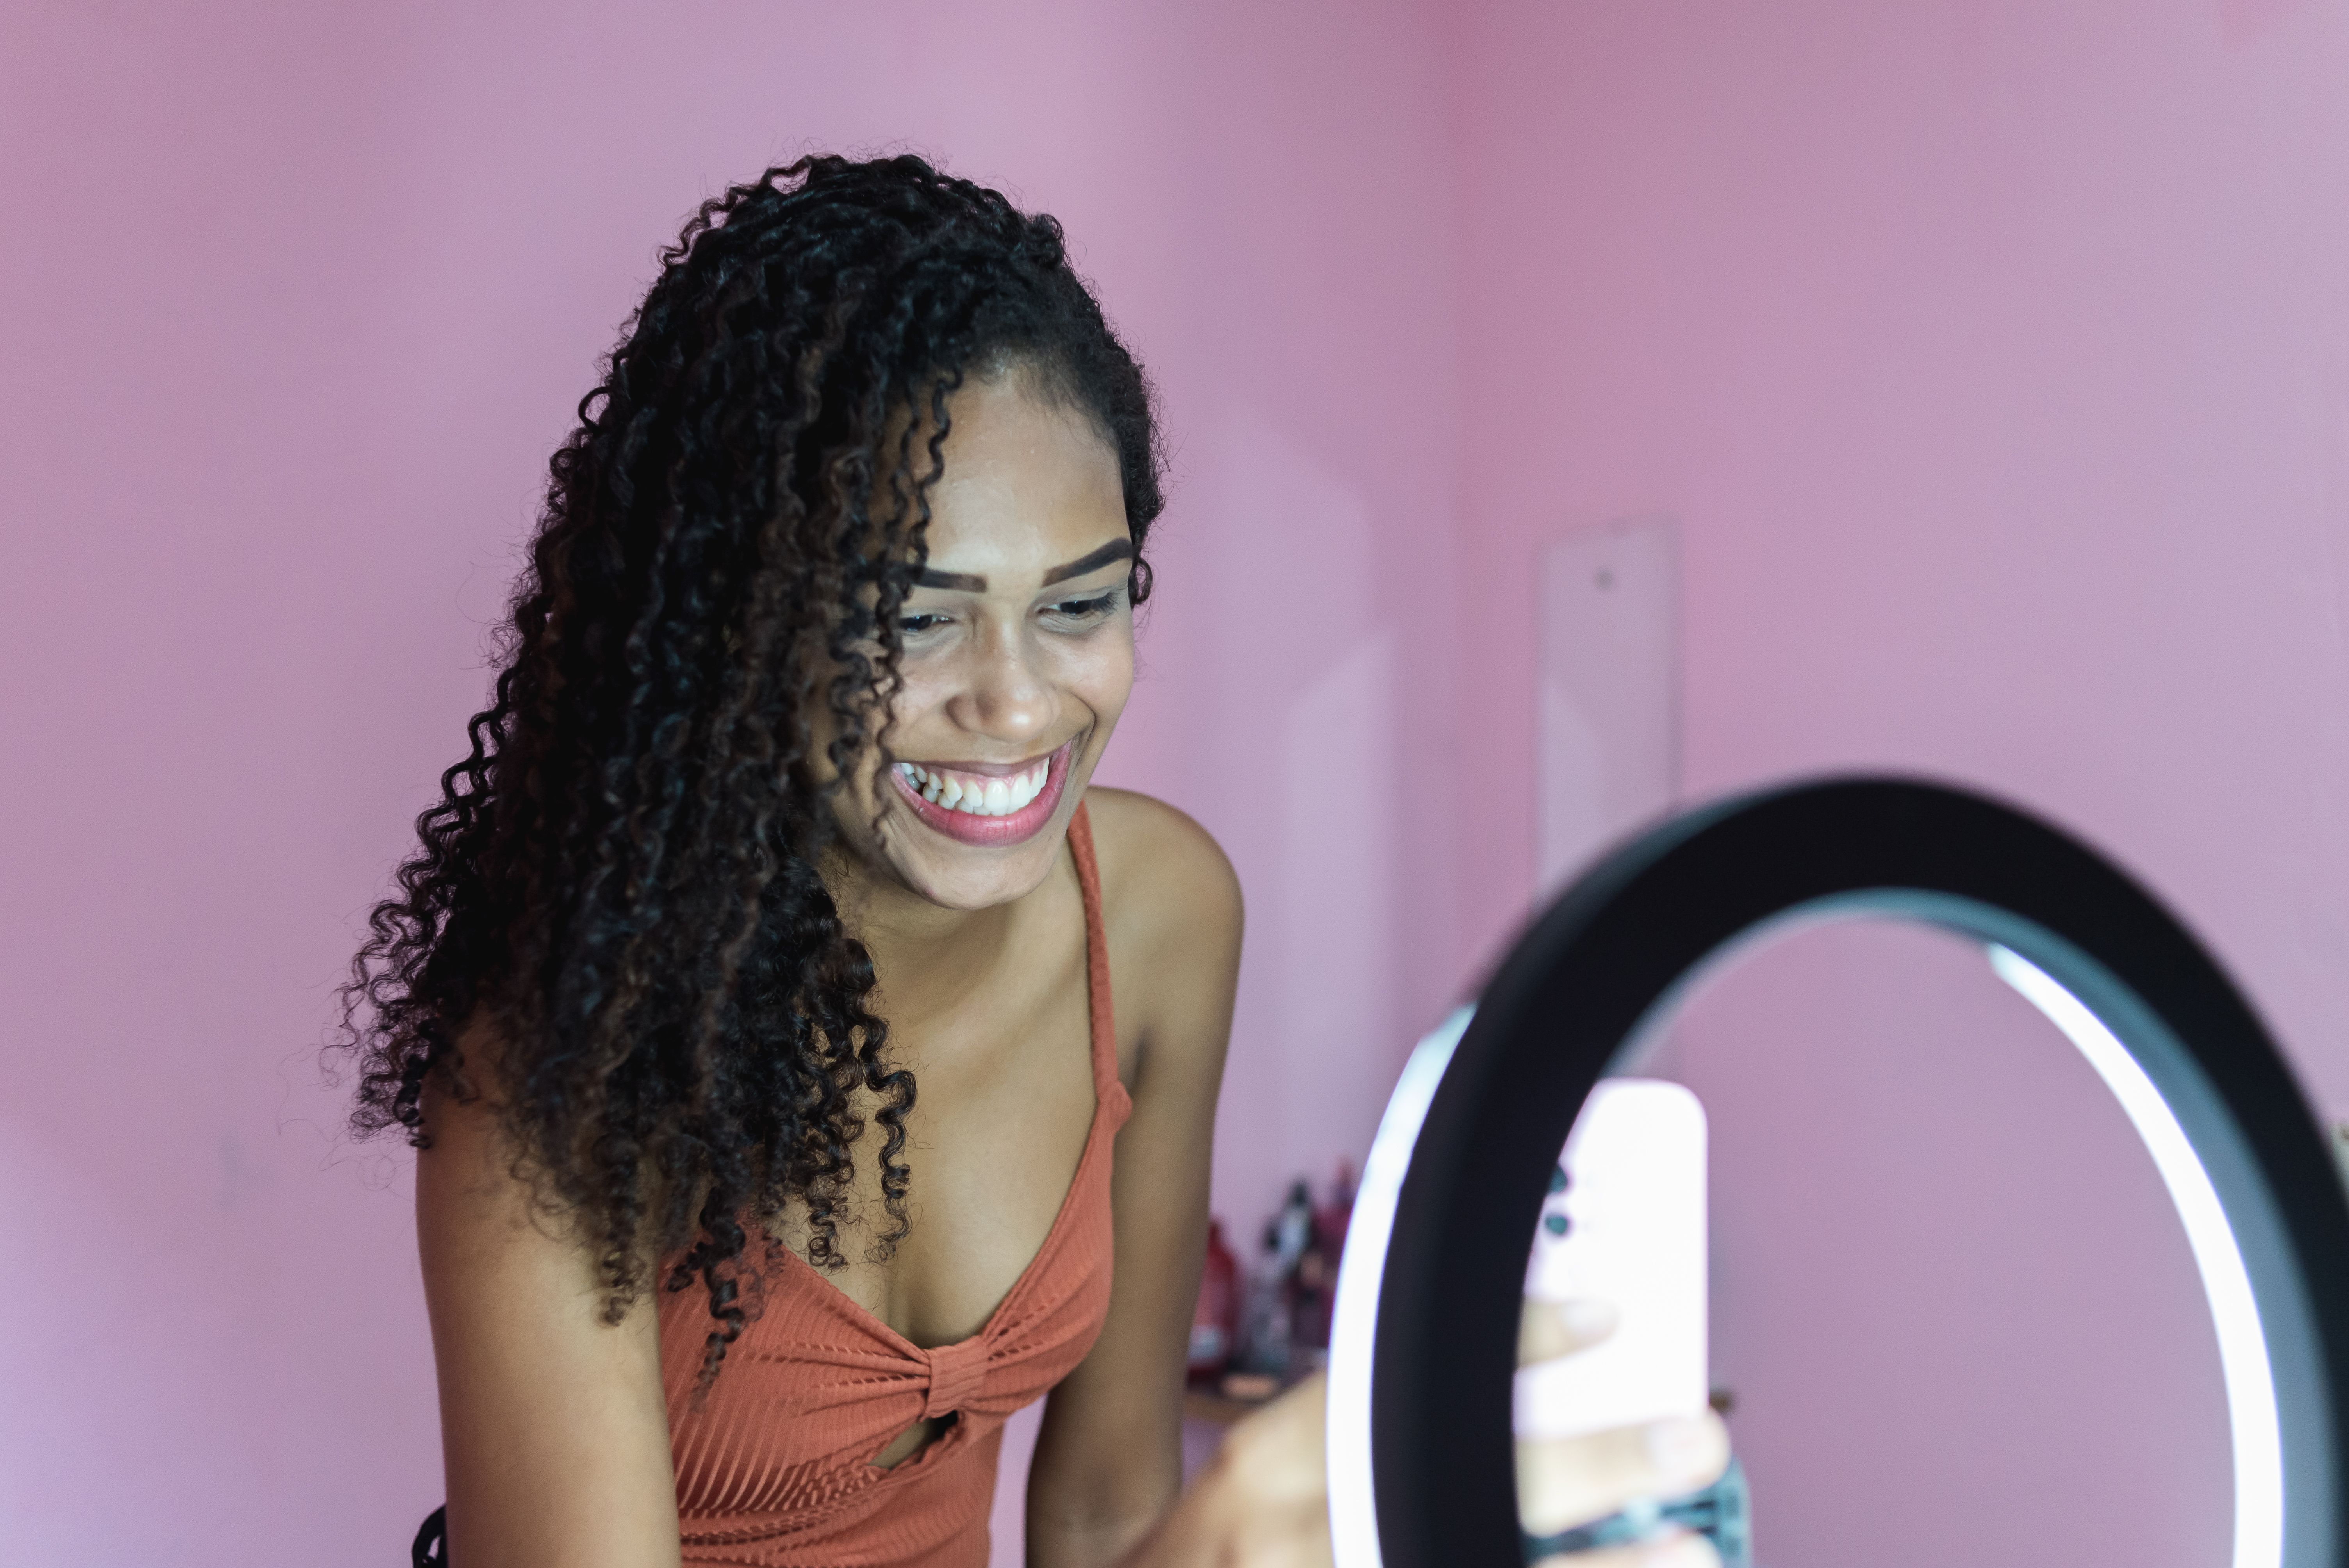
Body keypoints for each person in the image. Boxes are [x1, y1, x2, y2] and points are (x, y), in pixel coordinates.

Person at [339, 153, 1726, 1568]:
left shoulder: (1164, 918)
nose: (1014, 706)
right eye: (914, 620)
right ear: (740, 625)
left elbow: (1102, 1516)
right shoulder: (563, 1055)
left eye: (1078, 603)